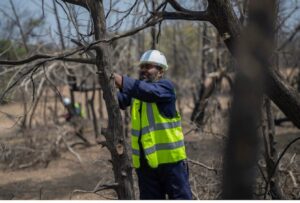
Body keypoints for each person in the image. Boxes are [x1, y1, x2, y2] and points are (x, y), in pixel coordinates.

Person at [114, 49, 192, 200]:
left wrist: (121, 80)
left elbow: (148, 92)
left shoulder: (165, 88)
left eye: (148, 67)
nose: (143, 71)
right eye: (142, 67)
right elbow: (120, 99)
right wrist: (107, 83)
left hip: (171, 163)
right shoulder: (137, 92)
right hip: (146, 165)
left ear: (161, 71)